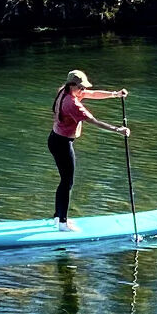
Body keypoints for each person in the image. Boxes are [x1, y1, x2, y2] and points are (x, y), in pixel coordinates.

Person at [49, 69, 127, 228]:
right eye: (81, 87)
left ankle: (58, 217)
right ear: (72, 85)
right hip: (62, 143)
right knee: (67, 182)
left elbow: (92, 94)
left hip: (55, 139)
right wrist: (118, 130)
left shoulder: (65, 90)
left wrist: (115, 94)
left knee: (64, 181)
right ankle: (63, 224)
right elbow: (94, 121)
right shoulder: (72, 104)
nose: (84, 90)